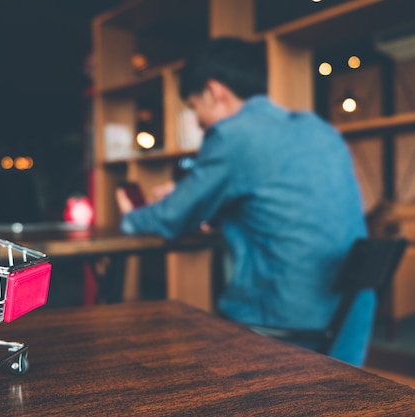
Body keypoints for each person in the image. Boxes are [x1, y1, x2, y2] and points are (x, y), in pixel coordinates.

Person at [116, 37, 373, 366]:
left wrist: (132, 216)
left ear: (214, 91)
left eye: (195, 107)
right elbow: (285, 207)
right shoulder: (318, 128)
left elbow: (170, 219)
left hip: (287, 323)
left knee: (170, 349)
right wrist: (203, 201)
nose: (197, 121)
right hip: (349, 321)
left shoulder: (233, 135)